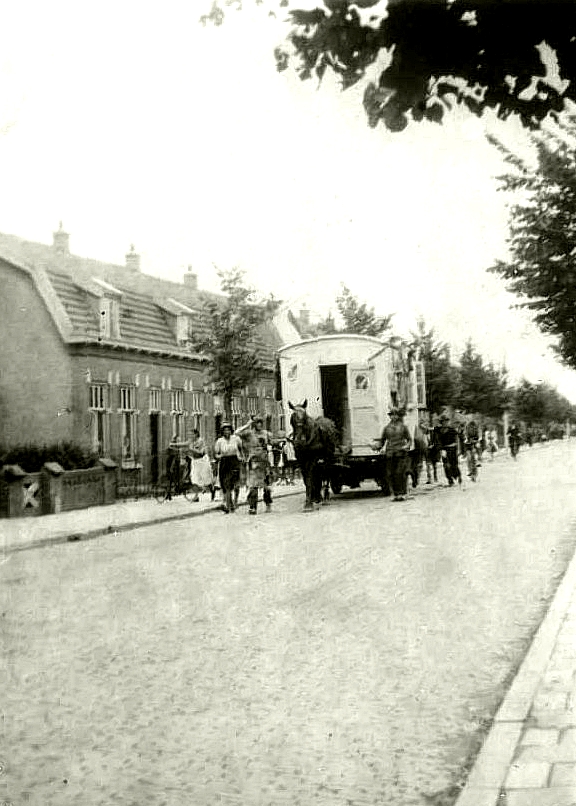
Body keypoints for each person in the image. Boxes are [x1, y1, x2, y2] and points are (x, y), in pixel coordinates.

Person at [236, 415, 273, 514]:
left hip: (264, 462)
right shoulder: (249, 434)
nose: (259, 425)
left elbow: (272, 442)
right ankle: (253, 507)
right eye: (257, 423)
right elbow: (237, 433)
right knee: (253, 485)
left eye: (260, 423)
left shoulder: (265, 433)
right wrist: (247, 424)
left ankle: (268, 503)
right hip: (253, 462)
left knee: (266, 485)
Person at [378, 407, 412, 501]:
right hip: (390, 453)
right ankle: (395, 494)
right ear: (390, 416)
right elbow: (382, 441)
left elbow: (409, 440)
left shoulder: (403, 427)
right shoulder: (386, 428)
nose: (393, 417)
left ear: (398, 416)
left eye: (395, 415)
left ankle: (402, 493)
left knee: (400, 473)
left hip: (401, 453)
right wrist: (377, 447)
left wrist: (406, 446)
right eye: (391, 415)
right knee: (391, 474)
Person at [213, 422, 243, 514]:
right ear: (222, 432)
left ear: (231, 430)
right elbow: (216, 454)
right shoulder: (219, 441)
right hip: (224, 462)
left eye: (228, 430)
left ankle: (235, 500)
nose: (227, 432)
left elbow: (241, 448)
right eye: (225, 430)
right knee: (226, 484)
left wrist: (242, 457)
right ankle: (229, 505)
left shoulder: (236, 439)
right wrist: (219, 456)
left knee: (236, 483)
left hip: (234, 461)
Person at [188, 429, 214, 502]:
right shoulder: (191, 442)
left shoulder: (201, 441)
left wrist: (192, 450)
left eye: (192, 434)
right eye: (190, 435)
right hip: (195, 462)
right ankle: (196, 496)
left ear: (196, 434)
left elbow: (201, 452)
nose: (190, 436)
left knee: (206, 479)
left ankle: (212, 491)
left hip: (202, 461)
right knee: (194, 479)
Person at [437, 414, 462, 486]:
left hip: (453, 449)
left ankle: (458, 476)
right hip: (444, 450)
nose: (445, 423)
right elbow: (438, 441)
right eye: (443, 421)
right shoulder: (439, 431)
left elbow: (457, 439)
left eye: (446, 421)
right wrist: (440, 450)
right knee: (446, 465)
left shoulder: (452, 430)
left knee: (454, 465)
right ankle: (450, 480)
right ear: (441, 422)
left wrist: (459, 449)